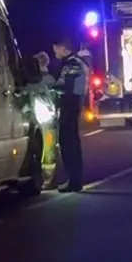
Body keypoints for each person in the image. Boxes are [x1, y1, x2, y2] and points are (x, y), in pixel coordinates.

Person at [47, 38, 88, 191]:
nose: (55, 54)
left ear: (63, 49)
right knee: (70, 141)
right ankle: (74, 180)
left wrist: (50, 87)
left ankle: (74, 180)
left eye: (56, 50)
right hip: (72, 103)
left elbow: (67, 87)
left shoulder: (72, 64)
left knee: (68, 142)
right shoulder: (73, 62)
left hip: (70, 104)